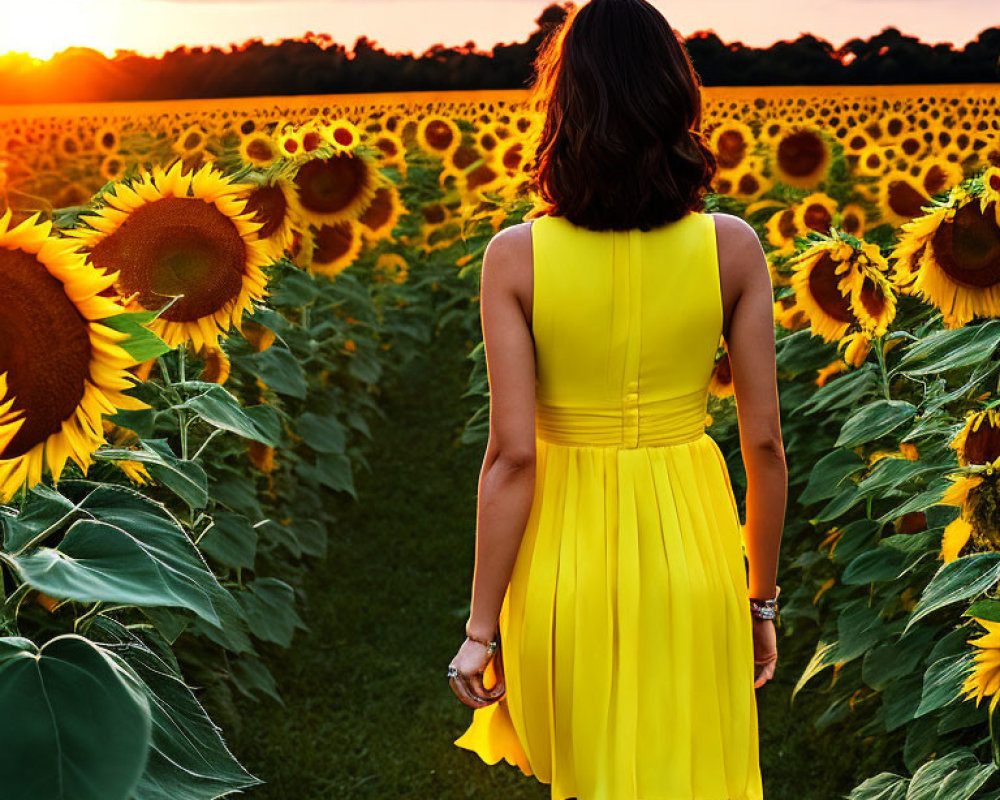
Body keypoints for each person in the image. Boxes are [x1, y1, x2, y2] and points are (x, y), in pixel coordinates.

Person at [448, 1, 786, 798]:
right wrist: (761, 601)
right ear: (679, 102)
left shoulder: (517, 258)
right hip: (698, 552)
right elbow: (765, 446)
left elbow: (513, 455)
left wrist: (479, 630)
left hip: (565, 561)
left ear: (563, 109)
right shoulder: (732, 247)